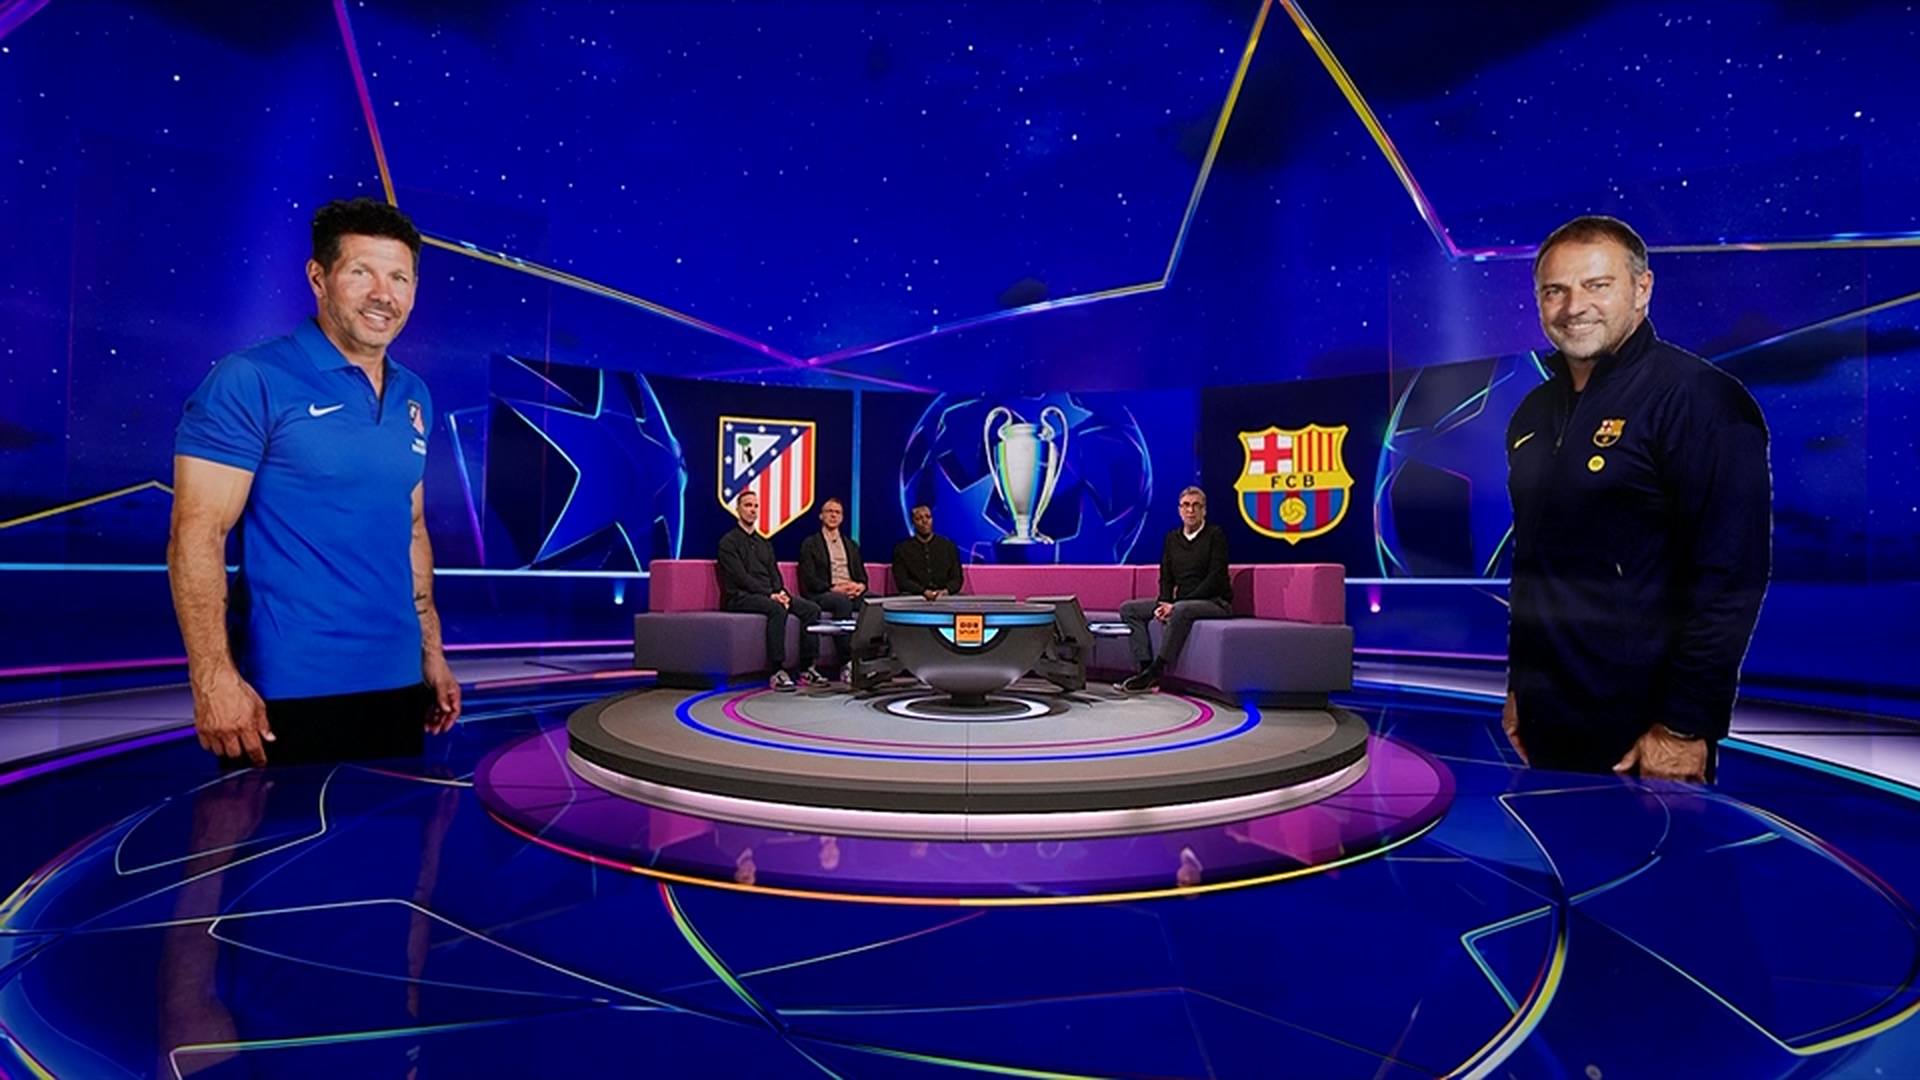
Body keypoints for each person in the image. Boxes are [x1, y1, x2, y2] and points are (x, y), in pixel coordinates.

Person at [168, 197, 461, 768]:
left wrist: (432, 651)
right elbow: (196, 533)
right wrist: (212, 678)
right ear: (318, 278)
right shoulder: (250, 379)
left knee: (394, 829)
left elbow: (410, 526)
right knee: (276, 830)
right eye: (361, 272)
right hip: (287, 693)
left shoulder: (415, 395)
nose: (383, 294)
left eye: (399, 278)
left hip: (399, 686)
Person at [1504, 214, 1771, 782]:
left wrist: (1683, 726)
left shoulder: (1700, 400)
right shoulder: (1532, 415)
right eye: (1555, 290)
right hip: (1548, 723)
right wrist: (1519, 686)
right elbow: (1532, 567)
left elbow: (1730, 576)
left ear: (1642, 288)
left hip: (1645, 736)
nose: (1574, 306)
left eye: (1597, 285)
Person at [1118, 486, 1233, 693]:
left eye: (1196, 506)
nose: (1191, 510)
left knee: (1180, 611)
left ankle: (1156, 670)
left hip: (1214, 601)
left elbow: (1215, 578)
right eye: (1186, 505)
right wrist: (1164, 602)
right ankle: (1144, 668)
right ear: (1179, 510)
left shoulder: (1215, 535)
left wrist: (1176, 605)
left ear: (1204, 510)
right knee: (1129, 609)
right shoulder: (1172, 538)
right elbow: (1166, 576)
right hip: (1181, 602)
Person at [717, 490, 825, 690]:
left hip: (769, 593)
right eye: (748, 505)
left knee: (811, 609)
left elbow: (774, 573)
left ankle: (807, 668)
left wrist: (781, 592)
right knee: (777, 609)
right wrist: (770, 594)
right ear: (738, 509)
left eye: (756, 506)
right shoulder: (728, 542)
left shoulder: (764, 543)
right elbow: (740, 577)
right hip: (740, 596)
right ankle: (777, 670)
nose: (752, 510)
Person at [890, 503, 964, 600]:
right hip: (914, 598)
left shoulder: (949, 547)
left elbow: (957, 579)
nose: (924, 521)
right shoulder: (902, 549)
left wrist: (945, 591)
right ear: (913, 522)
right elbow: (902, 581)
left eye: (928, 517)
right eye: (919, 518)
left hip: (945, 599)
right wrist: (923, 592)